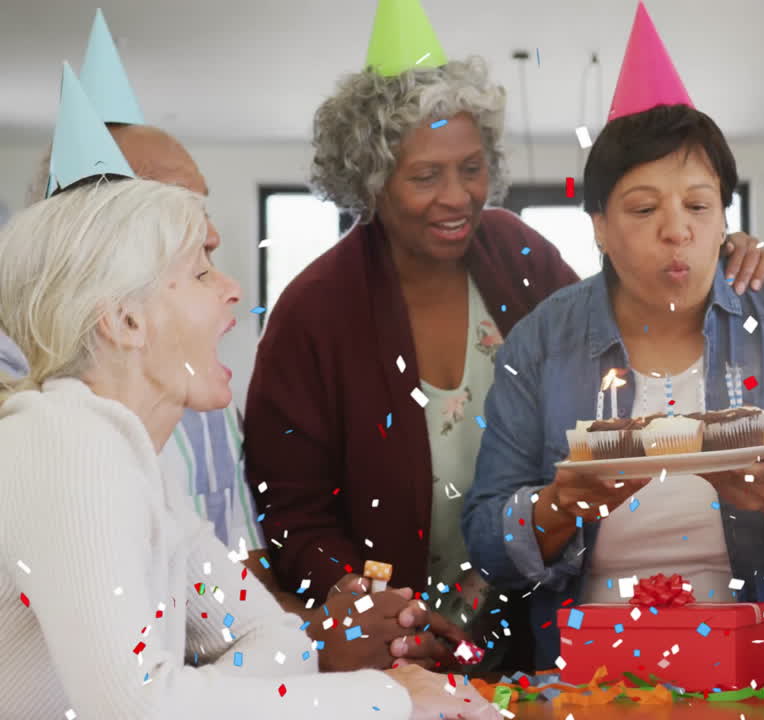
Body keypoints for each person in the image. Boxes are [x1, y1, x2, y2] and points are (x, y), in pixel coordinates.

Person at [245, 5, 764, 674]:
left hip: (531, 625)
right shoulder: (313, 313)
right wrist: (364, 602)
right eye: (425, 176)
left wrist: (718, 255)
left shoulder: (521, 258)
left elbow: (625, 303)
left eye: (471, 167)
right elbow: (291, 511)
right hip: (390, 646)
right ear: (370, 178)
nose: (458, 196)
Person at [0, 176, 494, 717]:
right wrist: (388, 699)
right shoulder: (64, 444)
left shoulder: (135, 458)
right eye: (199, 271)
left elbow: (280, 640)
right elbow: (137, 707)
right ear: (125, 320)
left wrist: (196, 695)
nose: (232, 288)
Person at [461, 94, 764, 669]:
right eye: (642, 210)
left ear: (724, 223)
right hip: (582, 669)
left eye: (698, 206)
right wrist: (556, 507)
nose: (676, 231)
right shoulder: (540, 342)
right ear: (600, 228)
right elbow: (486, 537)